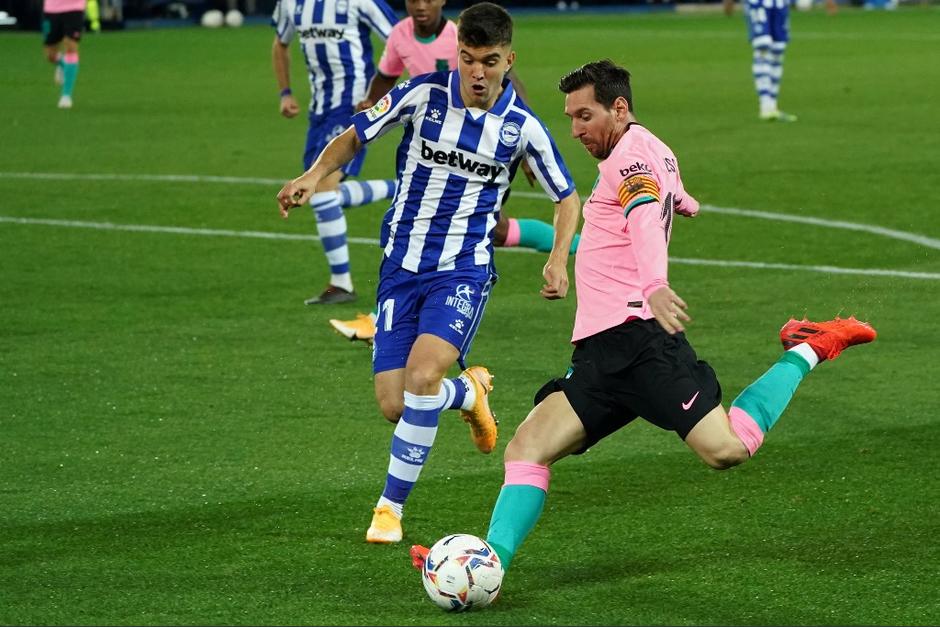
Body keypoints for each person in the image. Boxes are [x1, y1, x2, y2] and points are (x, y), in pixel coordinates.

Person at [408, 59, 877, 589]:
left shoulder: (625, 162)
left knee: (727, 450)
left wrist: (654, 283)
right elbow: (666, 190)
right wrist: (685, 201)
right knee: (526, 448)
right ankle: (484, 564)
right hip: (599, 355)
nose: (576, 129)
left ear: (619, 108)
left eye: (585, 115)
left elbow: (643, 214)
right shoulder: (650, 146)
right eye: (570, 118)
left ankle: (809, 347)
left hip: (639, 342)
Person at [277, 2, 581, 545]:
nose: (478, 73)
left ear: (510, 60)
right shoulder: (423, 95)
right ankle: (468, 394)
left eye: (490, 61)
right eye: (468, 59)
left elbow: (567, 195)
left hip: (462, 272)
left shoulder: (521, 129)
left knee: (421, 377)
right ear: (456, 54)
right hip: (399, 266)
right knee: (396, 404)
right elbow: (356, 133)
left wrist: (558, 257)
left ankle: (388, 510)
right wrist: (314, 173)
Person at [327, 0, 581, 345]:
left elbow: (507, 82)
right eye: (413, 0)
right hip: (426, 147)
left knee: (485, 228)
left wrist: (519, 146)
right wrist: (373, 104)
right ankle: (393, 315)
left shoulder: (459, 34)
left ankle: (578, 246)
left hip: (478, 149)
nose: (420, 6)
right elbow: (386, 76)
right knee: (480, 228)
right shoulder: (399, 35)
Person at [271, 0, 400, 305]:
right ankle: (402, 189)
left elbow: (399, 42)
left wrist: (379, 98)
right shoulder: (290, 4)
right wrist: (285, 92)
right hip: (319, 111)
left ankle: (341, 283)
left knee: (323, 186)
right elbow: (280, 44)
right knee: (319, 192)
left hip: (353, 107)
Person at [723, 0, 799, 122]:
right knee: (763, 47)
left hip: (779, 4)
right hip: (758, 4)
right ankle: (765, 105)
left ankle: (772, 106)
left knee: (778, 51)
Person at [42, 0, 97, 109]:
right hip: (51, 9)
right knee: (50, 55)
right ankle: (63, 64)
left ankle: (66, 96)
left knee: (71, 46)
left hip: (75, 8)